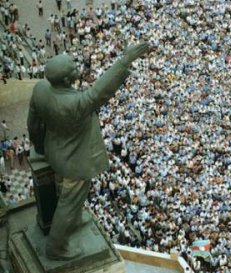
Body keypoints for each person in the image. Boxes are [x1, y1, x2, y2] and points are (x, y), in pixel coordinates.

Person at [27, 42, 150, 261]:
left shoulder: (40, 89)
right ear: (66, 80)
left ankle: (73, 222)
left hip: (51, 150)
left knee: (74, 199)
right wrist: (124, 60)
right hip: (73, 162)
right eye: (73, 68)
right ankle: (56, 247)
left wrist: (39, 147)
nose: (78, 68)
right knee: (70, 201)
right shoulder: (75, 103)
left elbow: (33, 124)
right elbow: (99, 92)